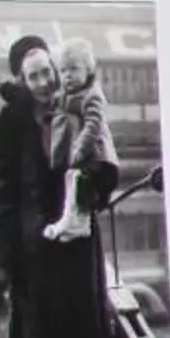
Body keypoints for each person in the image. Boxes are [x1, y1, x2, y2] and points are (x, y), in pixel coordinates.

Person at [0, 35, 113, 338]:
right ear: (21, 79)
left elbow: (101, 154)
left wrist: (96, 184)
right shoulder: (7, 124)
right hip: (36, 243)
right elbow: (0, 192)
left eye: (47, 72)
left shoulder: (75, 102)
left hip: (75, 236)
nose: (42, 82)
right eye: (33, 75)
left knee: (74, 333)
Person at [43, 37, 115, 244]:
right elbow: (55, 105)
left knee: (78, 181)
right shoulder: (67, 94)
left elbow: (94, 125)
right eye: (63, 71)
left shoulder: (92, 95)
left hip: (97, 158)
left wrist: (80, 148)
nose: (67, 76)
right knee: (71, 181)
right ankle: (73, 221)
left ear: (88, 70)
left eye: (74, 69)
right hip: (83, 160)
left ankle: (78, 222)